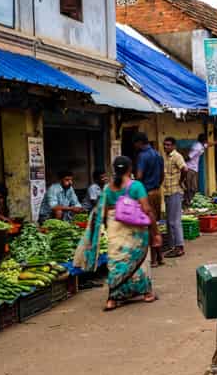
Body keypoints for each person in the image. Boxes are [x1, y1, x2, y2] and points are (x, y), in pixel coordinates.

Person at [75, 156, 161, 312]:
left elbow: (104, 210)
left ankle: (112, 299)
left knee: (116, 262)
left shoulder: (108, 188)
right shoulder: (136, 186)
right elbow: (147, 209)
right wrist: (155, 232)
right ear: (130, 169)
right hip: (135, 230)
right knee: (140, 261)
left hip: (115, 229)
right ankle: (147, 293)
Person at [133, 132, 165, 266]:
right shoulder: (158, 154)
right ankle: (160, 256)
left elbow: (139, 176)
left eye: (135, 143)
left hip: (146, 193)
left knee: (149, 225)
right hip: (157, 192)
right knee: (155, 224)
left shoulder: (142, 156)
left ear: (140, 142)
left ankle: (153, 259)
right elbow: (162, 175)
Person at [162, 137, 187, 258]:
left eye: (168, 145)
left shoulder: (177, 156)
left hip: (175, 191)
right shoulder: (165, 157)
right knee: (169, 221)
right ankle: (172, 245)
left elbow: (185, 169)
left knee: (174, 221)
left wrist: (180, 181)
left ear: (173, 146)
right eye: (165, 145)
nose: (166, 147)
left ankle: (179, 247)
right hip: (167, 191)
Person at [184, 133, 207, 207]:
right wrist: (181, 163)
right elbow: (189, 157)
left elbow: (208, 145)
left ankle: (191, 201)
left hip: (194, 169)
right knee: (189, 187)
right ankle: (188, 202)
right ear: (204, 140)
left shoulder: (201, 145)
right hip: (189, 168)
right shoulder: (197, 147)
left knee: (194, 187)